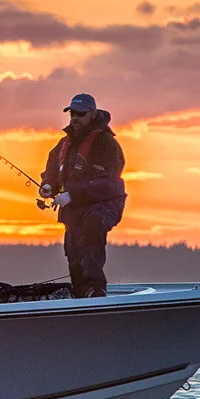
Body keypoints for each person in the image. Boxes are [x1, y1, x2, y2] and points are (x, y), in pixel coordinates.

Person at [39, 93, 127, 297]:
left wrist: (73, 195)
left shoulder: (107, 144)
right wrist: (48, 186)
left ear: (92, 114)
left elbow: (107, 184)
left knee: (92, 231)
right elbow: (51, 170)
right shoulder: (63, 144)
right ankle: (81, 295)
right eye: (72, 114)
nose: (75, 119)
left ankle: (96, 290)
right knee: (73, 253)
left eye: (80, 114)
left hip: (104, 204)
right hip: (75, 208)